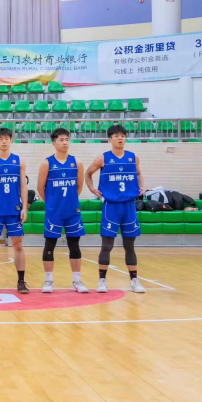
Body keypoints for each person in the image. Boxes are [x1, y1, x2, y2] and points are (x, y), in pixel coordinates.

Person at [85, 125, 145, 294]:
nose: (120, 138)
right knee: (107, 245)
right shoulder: (102, 158)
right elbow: (88, 174)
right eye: (117, 136)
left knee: (129, 245)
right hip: (111, 206)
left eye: (123, 136)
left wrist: (141, 185)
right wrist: (92, 189)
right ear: (110, 139)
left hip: (129, 206)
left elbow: (139, 173)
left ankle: (134, 280)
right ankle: (102, 280)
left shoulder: (133, 157)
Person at [37, 128, 88, 294]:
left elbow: (79, 186)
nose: (65, 142)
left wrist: (70, 201)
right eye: (61, 140)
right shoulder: (47, 163)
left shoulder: (77, 162)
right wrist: (51, 203)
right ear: (54, 143)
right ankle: (48, 280)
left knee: (74, 245)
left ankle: (77, 281)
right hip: (54, 212)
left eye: (67, 139)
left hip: (72, 211)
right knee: (50, 245)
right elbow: (40, 188)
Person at [0, 127, 29, 294]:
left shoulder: (19, 161)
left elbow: (23, 186)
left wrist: (24, 207)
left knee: (18, 245)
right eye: (0, 138)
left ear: (11, 140)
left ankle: (21, 281)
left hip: (14, 211)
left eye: (6, 138)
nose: (3, 141)